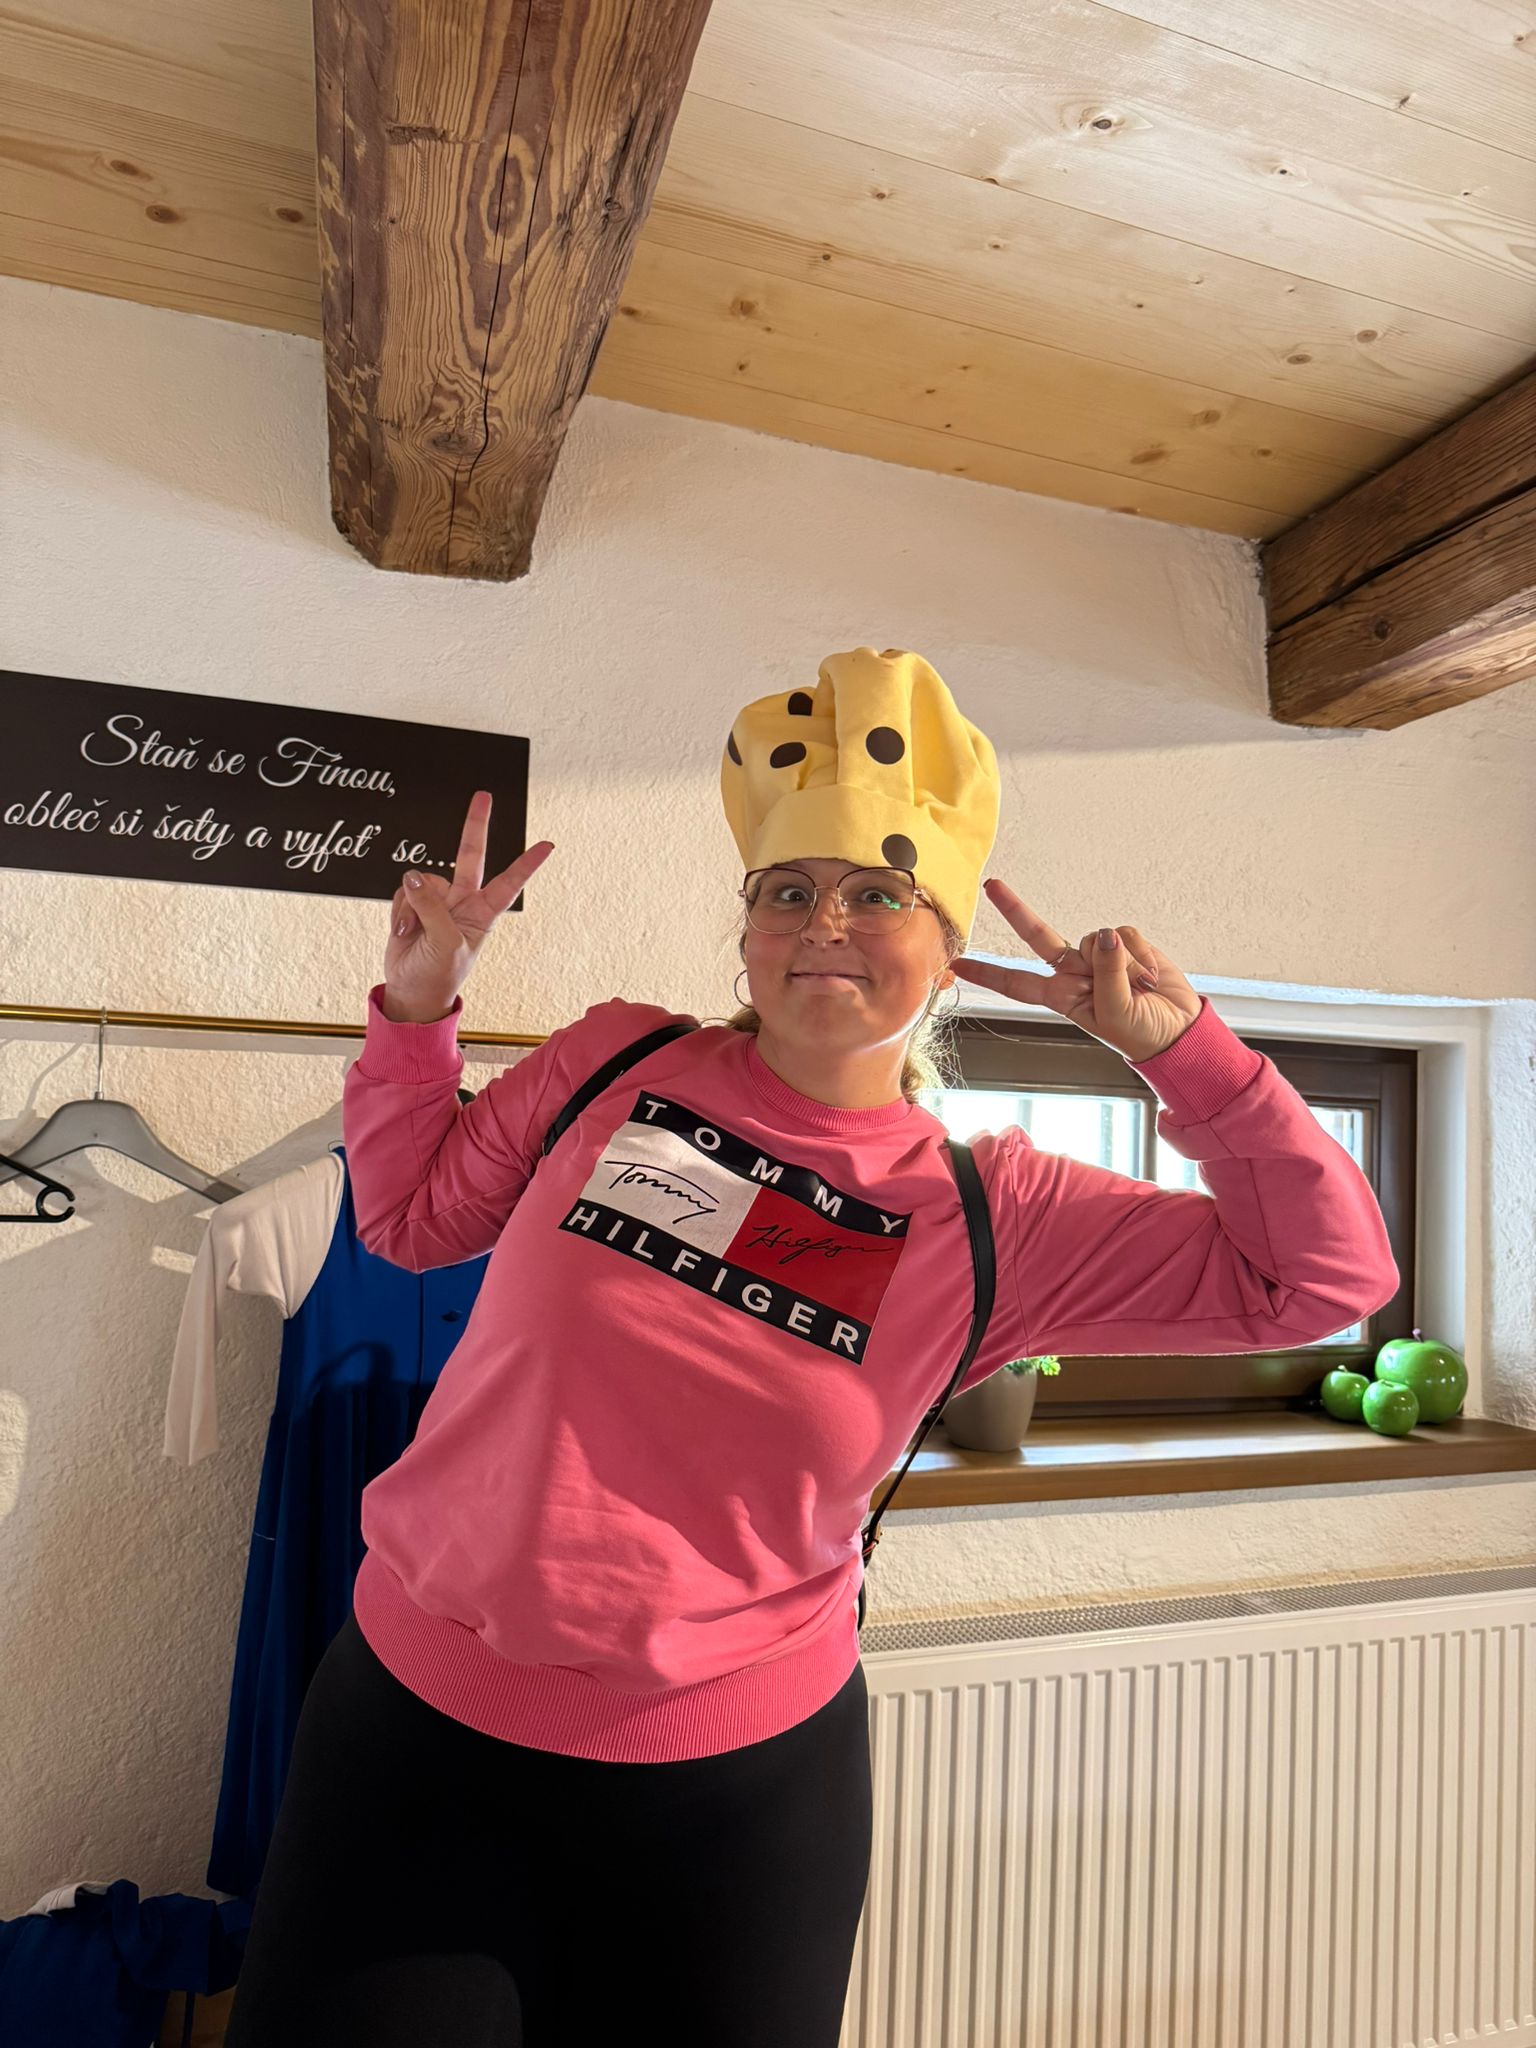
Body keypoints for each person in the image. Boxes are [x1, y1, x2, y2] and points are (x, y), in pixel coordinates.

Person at [223, 646, 1398, 2047]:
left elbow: (1324, 1277)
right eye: (786, 890)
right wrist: (418, 1012)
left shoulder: (993, 1210)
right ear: (746, 933)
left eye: (877, 892)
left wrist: (1183, 1054)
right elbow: (412, 1222)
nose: (824, 921)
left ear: (946, 949)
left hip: (733, 1802)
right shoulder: (616, 1062)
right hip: (419, 1739)